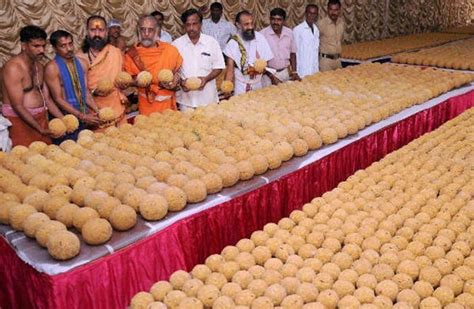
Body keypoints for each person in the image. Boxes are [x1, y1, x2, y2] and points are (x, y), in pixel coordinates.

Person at [1, 25, 64, 147]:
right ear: (24, 46)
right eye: (36, 46)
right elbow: (17, 106)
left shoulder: (39, 66)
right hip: (19, 122)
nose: (41, 50)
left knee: (47, 158)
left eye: (43, 46)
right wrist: (39, 128)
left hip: (41, 120)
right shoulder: (13, 68)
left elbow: (47, 99)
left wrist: (64, 120)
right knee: (26, 160)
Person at [44, 30, 100, 141]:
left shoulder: (83, 63)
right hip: (65, 117)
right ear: (55, 48)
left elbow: (86, 92)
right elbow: (57, 99)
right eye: (63, 46)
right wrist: (82, 116)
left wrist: (97, 111)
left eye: (70, 44)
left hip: (83, 113)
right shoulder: (52, 68)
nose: (69, 49)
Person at [123, 15, 182, 115]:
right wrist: (138, 82)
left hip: (168, 106)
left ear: (157, 31)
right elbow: (128, 80)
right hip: (146, 106)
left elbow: (177, 72)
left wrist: (176, 80)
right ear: (138, 31)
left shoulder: (170, 50)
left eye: (150, 30)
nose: (146, 34)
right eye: (143, 30)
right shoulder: (131, 54)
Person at [77, 15, 128, 126]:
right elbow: (80, 90)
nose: (97, 34)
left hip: (118, 109)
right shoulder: (80, 57)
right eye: (93, 30)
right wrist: (95, 94)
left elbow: (121, 79)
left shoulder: (115, 52)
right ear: (87, 31)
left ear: (106, 32)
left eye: (101, 30)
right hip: (95, 113)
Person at [173, 9, 225, 111]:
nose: (191, 28)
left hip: (208, 100)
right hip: (186, 101)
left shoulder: (211, 42)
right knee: (187, 126)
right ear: (184, 26)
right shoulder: (176, 45)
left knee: (211, 126)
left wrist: (206, 79)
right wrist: (181, 82)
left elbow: (219, 67)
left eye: (194, 24)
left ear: (201, 24)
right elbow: (172, 70)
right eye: (188, 25)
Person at [223, 10, 273, 95]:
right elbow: (230, 69)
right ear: (238, 25)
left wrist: (258, 68)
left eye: (251, 23)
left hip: (258, 84)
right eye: (246, 24)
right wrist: (227, 87)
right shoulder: (233, 43)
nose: (250, 27)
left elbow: (267, 62)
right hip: (241, 85)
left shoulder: (260, 38)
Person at [260, 7, 299, 87]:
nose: (275, 22)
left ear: (284, 21)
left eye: (279, 20)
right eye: (273, 19)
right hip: (268, 76)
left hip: (286, 73)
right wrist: (271, 76)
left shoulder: (289, 33)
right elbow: (260, 61)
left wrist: (294, 72)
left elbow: (292, 54)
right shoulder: (262, 35)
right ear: (270, 19)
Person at [293, 4, 320, 77]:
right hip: (302, 71)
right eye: (310, 13)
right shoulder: (298, 30)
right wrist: (295, 72)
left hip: (314, 70)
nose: (312, 16)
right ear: (305, 13)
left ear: (317, 15)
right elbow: (293, 53)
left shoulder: (316, 30)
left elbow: (315, 51)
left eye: (314, 14)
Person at [318, 0, 345, 71]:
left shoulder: (341, 23)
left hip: (338, 60)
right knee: (326, 82)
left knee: (341, 81)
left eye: (336, 10)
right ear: (327, 9)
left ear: (339, 10)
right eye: (331, 9)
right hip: (326, 62)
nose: (333, 12)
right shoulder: (321, 24)